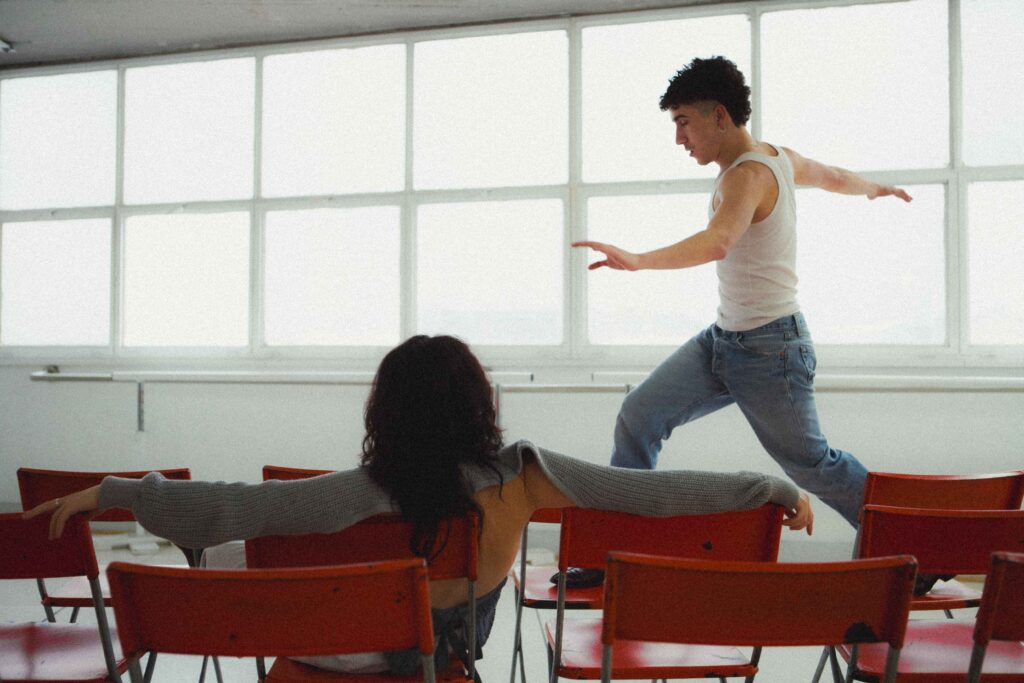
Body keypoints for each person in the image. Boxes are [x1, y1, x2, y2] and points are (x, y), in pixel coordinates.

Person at [24, 334, 812, 677]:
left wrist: (121, 493)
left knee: (240, 549)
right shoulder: (523, 478)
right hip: (439, 661)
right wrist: (771, 486)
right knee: (258, 553)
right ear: (479, 405)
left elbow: (239, 504)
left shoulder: (365, 488)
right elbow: (656, 495)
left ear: (388, 413)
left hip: (328, 644)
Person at [568, 56, 912, 589]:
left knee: (814, 464)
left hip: (771, 350)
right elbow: (834, 177)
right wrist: (872, 187)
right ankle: (617, 550)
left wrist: (637, 260)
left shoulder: (749, 175)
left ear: (720, 116)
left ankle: (915, 541)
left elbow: (719, 241)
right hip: (724, 341)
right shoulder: (778, 158)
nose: (679, 138)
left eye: (684, 122)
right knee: (639, 416)